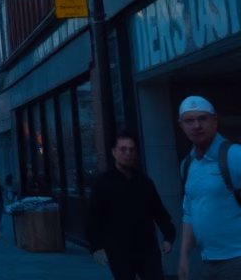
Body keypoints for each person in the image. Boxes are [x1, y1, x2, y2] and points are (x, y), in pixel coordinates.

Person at [86, 132, 175, 280]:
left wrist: (168, 236)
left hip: (147, 248)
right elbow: (93, 217)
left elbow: (159, 212)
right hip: (119, 250)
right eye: (123, 149)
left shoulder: (144, 182)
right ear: (114, 152)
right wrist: (96, 246)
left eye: (132, 149)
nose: (128, 153)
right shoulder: (103, 183)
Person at [176, 96, 241, 280]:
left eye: (202, 118)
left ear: (215, 121)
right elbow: (189, 212)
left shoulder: (234, 155)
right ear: (181, 126)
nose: (196, 125)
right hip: (206, 261)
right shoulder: (188, 165)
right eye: (189, 120)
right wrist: (183, 257)